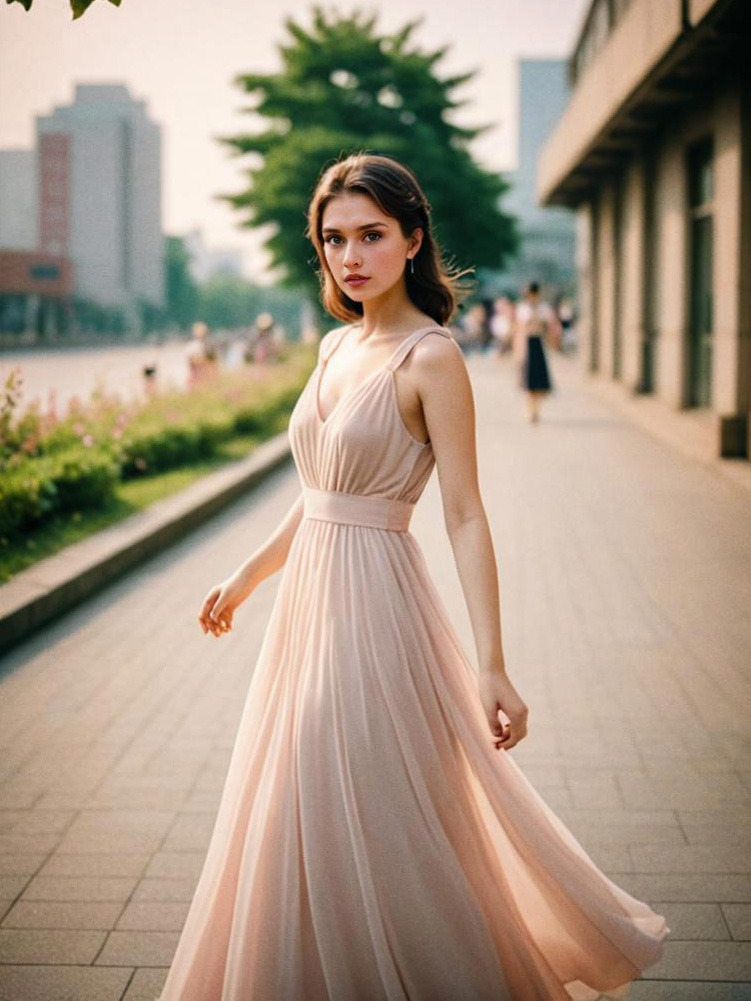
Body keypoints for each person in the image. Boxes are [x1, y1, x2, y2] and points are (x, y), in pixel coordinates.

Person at [157, 153, 669, 1000]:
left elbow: (464, 512)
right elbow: (321, 491)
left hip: (374, 613)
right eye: (333, 239)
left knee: (356, 793)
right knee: (297, 799)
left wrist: (492, 662)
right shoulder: (333, 344)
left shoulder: (431, 357)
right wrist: (247, 577)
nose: (349, 256)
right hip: (304, 612)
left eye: (370, 235)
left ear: (411, 239)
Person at [513, 281, 561, 423]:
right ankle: (531, 411)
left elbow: (551, 324)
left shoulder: (543, 308)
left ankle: (536, 409)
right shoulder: (522, 308)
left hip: (538, 342)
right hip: (527, 344)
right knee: (528, 381)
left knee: (538, 382)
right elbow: (519, 327)